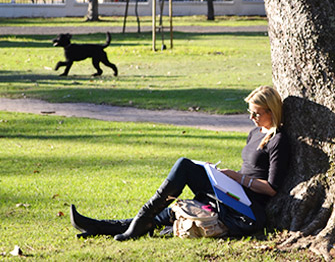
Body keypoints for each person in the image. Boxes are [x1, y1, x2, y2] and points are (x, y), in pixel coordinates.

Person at [70, 85, 290, 240]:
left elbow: (271, 189)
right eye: (250, 112)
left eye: (257, 114)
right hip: (231, 193)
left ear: (271, 111)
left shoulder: (278, 140)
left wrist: (237, 177)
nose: (251, 118)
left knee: (184, 166)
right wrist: (219, 175)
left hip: (247, 208)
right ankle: (99, 226)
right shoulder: (254, 133)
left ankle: (135, 225)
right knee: (158, 217)